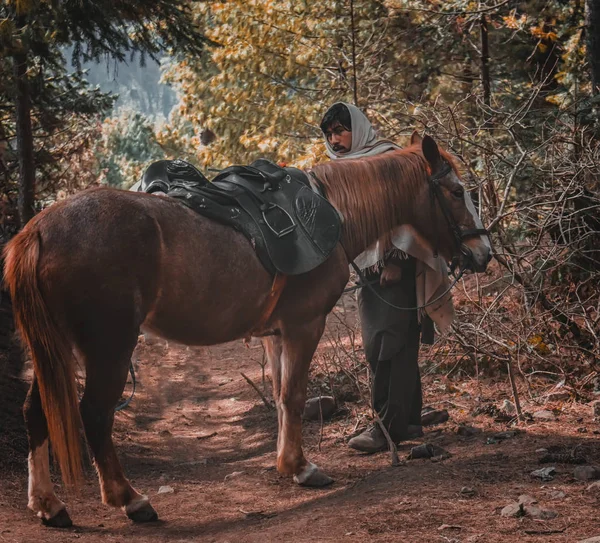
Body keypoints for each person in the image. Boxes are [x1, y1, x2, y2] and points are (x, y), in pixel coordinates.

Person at [319, 102, 449, 453]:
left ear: (357, 128)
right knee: (384, 346)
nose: (335, 138)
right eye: (330, 133)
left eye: (340, 130)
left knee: (392, 345)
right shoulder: (340, 169)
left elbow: (410, 211)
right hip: (368, 270)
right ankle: (409, 422)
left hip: (395, 269)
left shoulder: (388, 157)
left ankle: (386, 428)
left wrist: (397, 260)